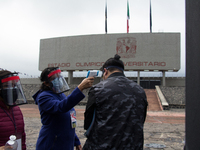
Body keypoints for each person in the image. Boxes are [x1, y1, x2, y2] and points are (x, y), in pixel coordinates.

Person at [83, 54, 148, 150]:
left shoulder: (97, 89)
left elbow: (87, 123)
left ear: (105, 71)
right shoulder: (140, 90)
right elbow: (142, 119)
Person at [32, 67, 94, 150]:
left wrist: (76, 141)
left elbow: (68, 122)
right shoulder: (43, 97)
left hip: (65, 143)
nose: (58, 80)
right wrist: (80, 88)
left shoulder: (60, 95)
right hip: (52, 144)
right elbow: (61, 107)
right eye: (54, 78)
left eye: (59, 77)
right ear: (46, 83)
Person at [0, 70, 27, 150]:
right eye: (6, 86)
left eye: (14, 85)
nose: (12, 89)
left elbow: (22, 136)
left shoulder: (16, 109)